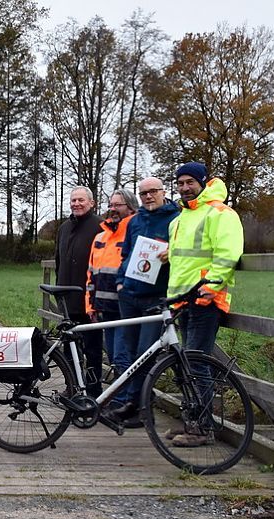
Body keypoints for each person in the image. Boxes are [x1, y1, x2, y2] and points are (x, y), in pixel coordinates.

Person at [163, 161, 244, 447]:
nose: (185, 187)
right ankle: (193, 420)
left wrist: (211, 286)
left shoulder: (220, 213)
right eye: (181, 183)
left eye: (190, 182)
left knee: (197, 363)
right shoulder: (179, 219)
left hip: (205, 299)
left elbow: (228, 252)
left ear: (202, 182)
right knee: (186, 363)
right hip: (182, 300)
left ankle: (202, 427)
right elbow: (183, 257)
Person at [105, 177, 180, 428]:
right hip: (129, 294)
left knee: (145, 353)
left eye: (152, 192)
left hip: (155, 296)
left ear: (163, 192)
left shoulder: (175, 218)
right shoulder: (135, 221)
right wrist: (119, 281)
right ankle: (128, 403)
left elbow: (184, 250)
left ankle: (139, 406)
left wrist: (173, 253)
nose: (148, 196)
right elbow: (124, 253)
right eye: (143, 193)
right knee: (124, 350)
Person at [86, 189, 137, 397]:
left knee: (124, 358)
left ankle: (123, 403)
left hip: (126, 307)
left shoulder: (135, 233)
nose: (113, 209)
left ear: (131, 208)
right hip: (105, 309)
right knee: (115, 356)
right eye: (112, 205)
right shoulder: (101, 236)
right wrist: (90, 305)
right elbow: (91, 273)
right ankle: (121, 400)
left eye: (119, 205)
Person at [54, 186, 104, 395]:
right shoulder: (64, 228)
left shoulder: (100, 226)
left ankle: (93, 390)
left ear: (91, 203)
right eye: (73, 200)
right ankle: (72, 385)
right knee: (69, 346)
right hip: (67, 298)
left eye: (81, 200)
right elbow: (58, 260)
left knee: (92, 348)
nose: (76, 204)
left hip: (88, 298)